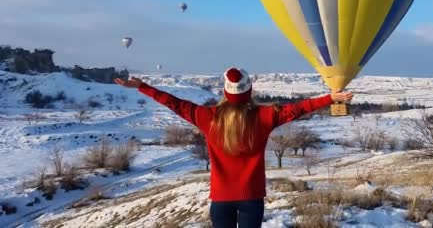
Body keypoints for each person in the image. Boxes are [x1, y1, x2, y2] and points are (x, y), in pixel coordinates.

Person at [115, 67, 353, 228]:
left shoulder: (206, 116)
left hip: (221, 199)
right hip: (252, 198)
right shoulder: (265, 116)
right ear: (249, 91)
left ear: (225, 92)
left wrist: (142, 86)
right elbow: (299, 108)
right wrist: (331, 98)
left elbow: (173, 103)